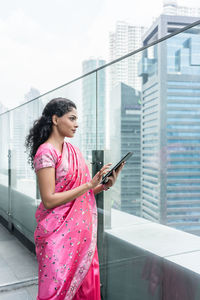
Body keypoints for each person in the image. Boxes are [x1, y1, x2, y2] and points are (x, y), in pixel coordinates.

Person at [25, 97, 124, 300]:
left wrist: (102, 186)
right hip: (56, 237)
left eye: (77, 119)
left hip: (81, 237)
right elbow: (49, 200)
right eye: (71, 118)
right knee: (55, 292)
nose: (76, 123)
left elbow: (79, 198)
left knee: (85, 290)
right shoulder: (45, 153)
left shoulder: (73, 151)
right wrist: (89, 185)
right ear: (55, 119)